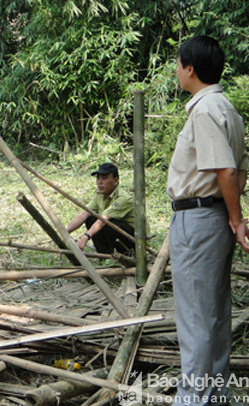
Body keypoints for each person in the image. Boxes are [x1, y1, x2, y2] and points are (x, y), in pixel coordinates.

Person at [167, 36, 249, 405]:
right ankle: (215, 396)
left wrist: (237, 219)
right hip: (214, 215)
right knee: (214, 314)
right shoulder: (228, 109)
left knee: (196, 318)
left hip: (200, 218)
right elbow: (239, 172)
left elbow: (227, 172)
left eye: (178, 63)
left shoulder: (204, 110)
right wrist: (232, 217)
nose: (176, 70)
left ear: (191, 68)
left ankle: (194, 399)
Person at [66, 163, 135, 255]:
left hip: (132, 239)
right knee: (90, 218)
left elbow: (103, 220)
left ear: (115, 181)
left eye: (104, 178)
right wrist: (65, 232)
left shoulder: (124, 198)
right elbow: (84, 214)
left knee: (105, 223)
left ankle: (124, 253)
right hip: (114, 230)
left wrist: (85, 237)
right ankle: (104, 255)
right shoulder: (100, 195)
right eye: (98, 178)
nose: (100, 182)